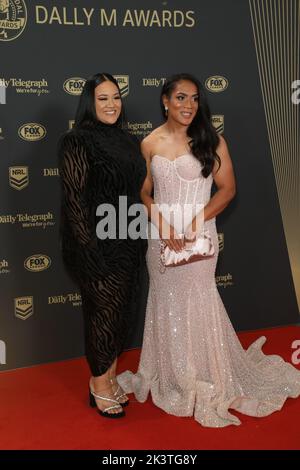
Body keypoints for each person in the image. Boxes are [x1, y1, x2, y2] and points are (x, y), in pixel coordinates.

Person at [118, 73, 300, 427]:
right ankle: (172, 375)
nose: (189, 105)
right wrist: (163, 224)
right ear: (165, 101)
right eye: (181, 98)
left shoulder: (212, 140)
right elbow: (143, 193)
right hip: (161, 238)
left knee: (199, 298)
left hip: (199, 235)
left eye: (195, 99)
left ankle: (206, 372)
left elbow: (228, 189)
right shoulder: (149, 142)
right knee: (166, 303)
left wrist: (192, 223)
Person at [59, 73, 146, 418]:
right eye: (103, 99)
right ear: (89, 103)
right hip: (94, 242)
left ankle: (109, 379)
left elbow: (136, 192)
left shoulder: (128, 140)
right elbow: (75, 199)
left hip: (128, 236)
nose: (111, 104)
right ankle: (98, 384)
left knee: (122, 313)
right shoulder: (76, 140)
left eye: (115, 97)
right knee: (103, 315)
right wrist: (88, 249)